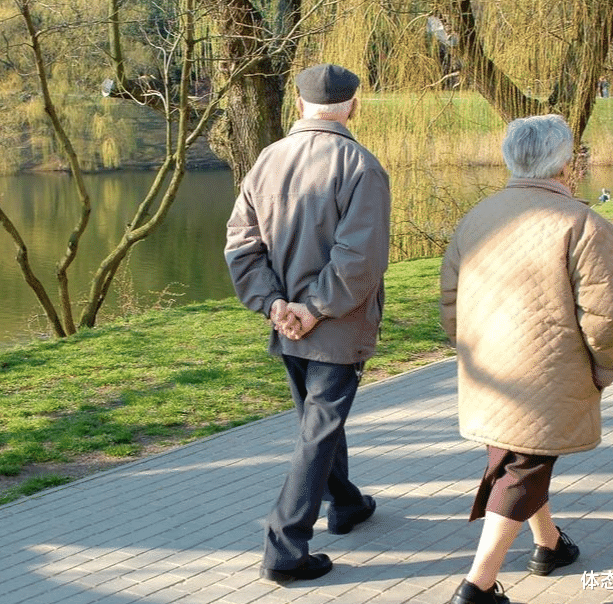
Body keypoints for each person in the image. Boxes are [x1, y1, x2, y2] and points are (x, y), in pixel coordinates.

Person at [440, 114, 613, 604]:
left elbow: (450, 299)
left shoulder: (478, 216)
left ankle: (549, 543)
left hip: (489, 370)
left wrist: (468, 349)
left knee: (518, 455)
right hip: (549, 372)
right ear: (565, 163)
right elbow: (604, 314)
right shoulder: (583, 223)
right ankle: (478, 587)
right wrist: (606, 367)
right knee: (523, 466)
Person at [225, 63, 390, 584]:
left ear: (299, 104)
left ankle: (347, 503)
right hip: (335, 325)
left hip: (287, 323)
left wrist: (274, 304)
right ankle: (285, 547)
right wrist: (313, 309)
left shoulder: (267, 160)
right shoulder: (361, 165)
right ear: (353, 106)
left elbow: (241, 244)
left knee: (318, 425)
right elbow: (359, 258)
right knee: (317, 432)